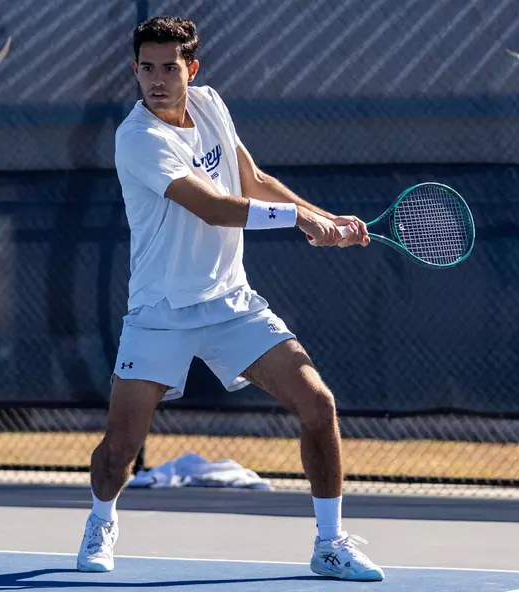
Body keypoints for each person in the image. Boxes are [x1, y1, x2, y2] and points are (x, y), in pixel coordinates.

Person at [77, 15, 384, 583]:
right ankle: (101, 519)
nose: (157, 80)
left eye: (170, 68)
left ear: (191, 70)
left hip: (231, 303)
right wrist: (299, 221)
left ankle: (329, 543)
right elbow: (214, 206)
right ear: (135, 70)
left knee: (319, 405)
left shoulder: (212, 105)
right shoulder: (138, 138)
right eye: (146, 68)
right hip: (159, 313)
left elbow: (250, 176)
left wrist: (322, 217)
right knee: (119, 451)